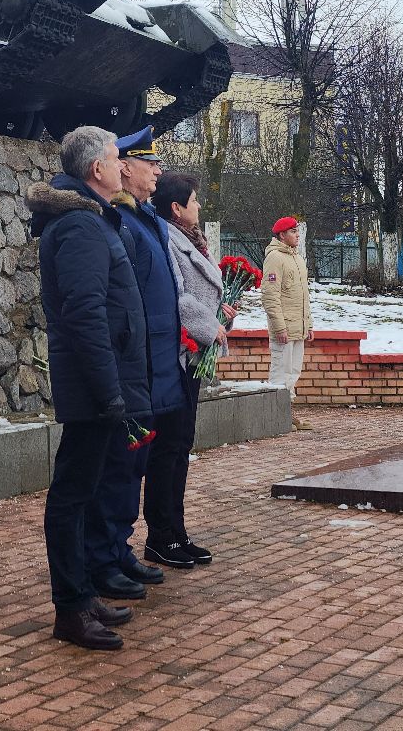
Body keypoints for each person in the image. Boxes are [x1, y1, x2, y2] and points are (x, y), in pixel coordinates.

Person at [27, 125, 146, 650]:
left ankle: (82, 596)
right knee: (72, 496)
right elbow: (86, 315)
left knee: (85, 491)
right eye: (118, 158)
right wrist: (109, 392)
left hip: (101, 383)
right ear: (96, 170)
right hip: (94, 386)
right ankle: (70, 609)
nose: (124, 166)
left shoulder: (90, 222)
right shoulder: (79, 227)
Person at [84, 125, 176, 599]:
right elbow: (124, 301)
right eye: (149, 162)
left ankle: (117, 549)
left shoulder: (145, 217)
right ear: (122, 165)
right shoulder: (121, 220)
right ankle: (104, 555)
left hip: (153, 361)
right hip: (133, 361)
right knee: (119, 466)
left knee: (134, 465)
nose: (158, 170)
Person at [145, 171, 228, 569]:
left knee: (181, 446)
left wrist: (218, 312)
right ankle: (160, 535)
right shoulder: (166, 240)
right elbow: (176, 297)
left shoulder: (190, 239)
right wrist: (210, 325)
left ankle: (176, 531)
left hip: (192, 355)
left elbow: (199, 292)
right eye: (194, 200)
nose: (199, 206)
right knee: (169, 447)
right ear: (176, 208)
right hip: (177, 355)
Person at [260, 215, 313, 431]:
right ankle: (274, 417)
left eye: (298, 231)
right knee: (280, 372)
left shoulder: (297, 259)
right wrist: (279, 326)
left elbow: (303, 296)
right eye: (293, 232)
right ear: (282, 235)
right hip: (284, 328)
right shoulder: (275, 258)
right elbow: (270, 295)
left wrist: (308, 324)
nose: (297, 235)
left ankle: (286, 413)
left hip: (297, 327)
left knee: (292, 371)